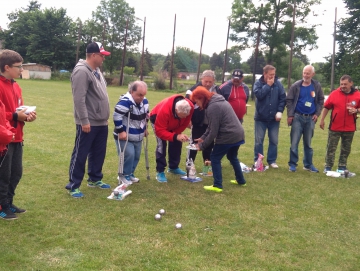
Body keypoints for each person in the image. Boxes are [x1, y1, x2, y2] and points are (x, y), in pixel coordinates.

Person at [65, 42, 111, 198]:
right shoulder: (81, 72)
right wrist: (84, 121)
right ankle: (74, 185)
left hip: (101, 121)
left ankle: (95, 178)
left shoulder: (96, 70)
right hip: (88, 122)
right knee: (81, 153)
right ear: (93, 55)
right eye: (102, 56)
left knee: (99, 152)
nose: (103, 59)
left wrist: (104, 116)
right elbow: (79, 99)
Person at [0, 49, 37, 220]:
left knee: (16, 173)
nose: (22, 69)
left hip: (18, 136)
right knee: (3, 175)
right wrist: (15, 116)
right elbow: (4, 114)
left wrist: (27, 116)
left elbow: (17, 110)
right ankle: (2, 206)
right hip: (3, 138)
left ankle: (9, 202)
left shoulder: (16, 85)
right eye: (19, 66)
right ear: (7, 67)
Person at [191, 87, 246, 193]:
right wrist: (202, 138)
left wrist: (202, 146)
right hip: (238, 133)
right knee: (232, 156)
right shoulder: (217, 101)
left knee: (215, 158)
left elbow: (213, 131)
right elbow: (211, 126)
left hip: (228, 135)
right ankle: (241, 180)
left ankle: (217, 185)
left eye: (197, 101)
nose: (197, 104)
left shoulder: (213, 107)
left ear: (202, 98)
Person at [286, 65, 324, 173]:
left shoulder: (316, 86)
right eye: (304, 73)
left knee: (308, 143)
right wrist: (290, 115)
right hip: (297, 117)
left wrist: (317, 113)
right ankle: (292, 164)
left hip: (310, 118)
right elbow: (289, 100)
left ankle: (308, 165)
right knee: (294, 143)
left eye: (308, 73)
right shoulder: (296, 86)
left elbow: (321, 100)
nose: (305, 75)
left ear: (313, 74)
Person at [319, 75, 360, 173]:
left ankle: (342, 166)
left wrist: (356, 110)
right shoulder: (334, 94)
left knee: (346, 149)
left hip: (350, 127)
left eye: (345, 84)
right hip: (335, 126)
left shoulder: (357, 95)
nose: (343, 86)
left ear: (351, 83)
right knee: (331, 148)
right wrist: (322, 120)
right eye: (341, 84)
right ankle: (328, 166)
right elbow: (326, 107)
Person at [150, 94, 194, 183]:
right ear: (176, 110)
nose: (184, 118)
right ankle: (160, 171)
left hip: (174, 123)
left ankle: (173, 167)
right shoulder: (165, 111)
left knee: (177, 142)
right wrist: (175, 136)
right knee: (161, 145)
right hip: (158, 121)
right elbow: (160, 131)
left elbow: (184, 123)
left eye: (186, 116)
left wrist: (177, 135)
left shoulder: (190, 107)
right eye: (182, 116)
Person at [113, 81, 149, 185]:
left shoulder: (145, 102)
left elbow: (146, 115)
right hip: (125, 136)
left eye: (144, 95)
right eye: (139, 95)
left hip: (138, 135)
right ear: (132, 91)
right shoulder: (125, 102)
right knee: (129, 154)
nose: (142, 97)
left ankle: (130, 173)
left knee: (136, 156)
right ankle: (123, 175)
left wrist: (145, 128)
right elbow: (116, 116)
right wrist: (121, 131)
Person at [253, 65, 286, 168]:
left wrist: (279, 111)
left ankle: (272, 160)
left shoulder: (278, 84)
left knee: (274, 141)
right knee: (259, 141)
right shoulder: (258, 84)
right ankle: (258, 161)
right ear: (265, 74)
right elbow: (259, 95)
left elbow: (282, 98)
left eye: (274, 74)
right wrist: (268, 85)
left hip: (274, 119)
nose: (273, 76)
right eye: (270, 74)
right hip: (260, 118)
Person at [185, 70, 218, 166]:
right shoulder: (192, 90)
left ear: (214, 81)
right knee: (194, 143)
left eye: (210, 82)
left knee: (209, 144)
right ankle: (189, 165)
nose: (207, 84)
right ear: (201, 79)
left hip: (211, 122)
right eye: (205, 81)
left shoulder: (216, 89)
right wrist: (188, 119)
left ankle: (207, 164)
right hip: (197, 122)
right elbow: (186, 105)